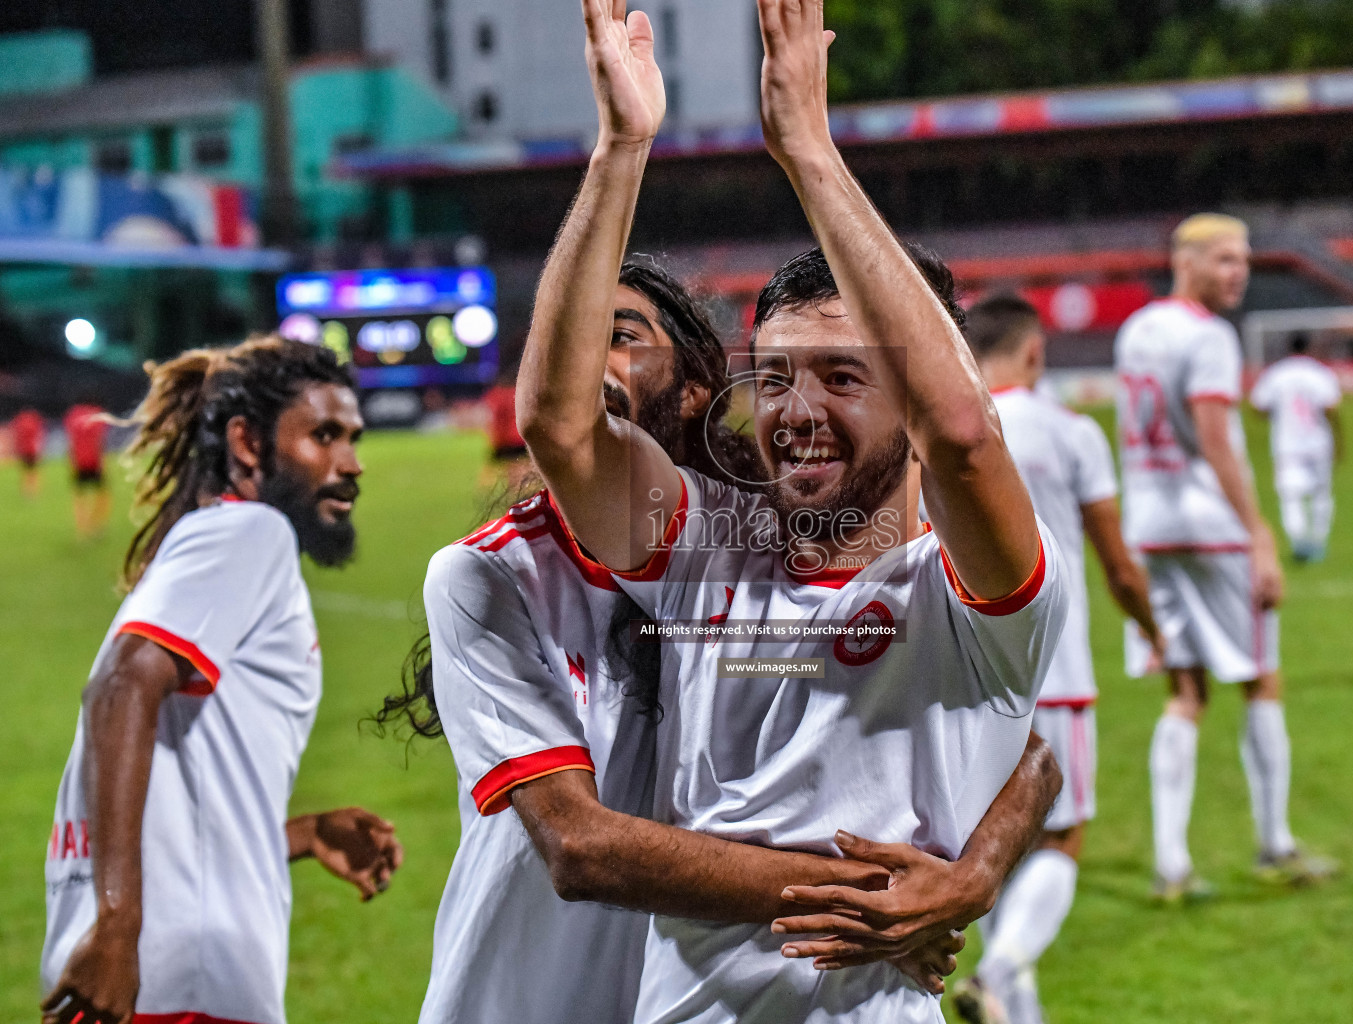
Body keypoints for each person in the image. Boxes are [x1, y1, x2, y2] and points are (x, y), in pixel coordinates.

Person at [515, 2, 1069, 1020]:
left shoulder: (974, 600)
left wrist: (811, 153)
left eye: (843, 378)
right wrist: (621, 150)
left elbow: (965, 433)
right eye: (771, 379)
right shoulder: (703, 550)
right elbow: (559, 427)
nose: (797, 411)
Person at [380, 260, 1065, 1023]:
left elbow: (1019, 745)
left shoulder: (748, 551)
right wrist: (877, 900)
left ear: (698, 389)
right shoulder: (502, 574)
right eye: (774, 376)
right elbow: (582, 848)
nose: (587, 360)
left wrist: (974, 874)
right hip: (525, 998)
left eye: (620, 337)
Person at [41, 337, 404, 1024]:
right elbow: (120, 688)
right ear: (247, 443)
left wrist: (298, 835)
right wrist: (120, 925)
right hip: (179, 988)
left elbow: (182, 778)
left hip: (148, 981)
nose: (351, 464)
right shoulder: (251, 533)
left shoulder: (208, 546)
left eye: (353, 437)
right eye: (323, 436)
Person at [954, 295, 1165, 1024]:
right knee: (1059, 839)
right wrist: (1151, 629)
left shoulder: (944, 432)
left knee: (988, 842)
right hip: (1056, 667)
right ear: (1036, 352)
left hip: (968, 671)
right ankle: (1000, 971)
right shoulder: (1072, 433)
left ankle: (1015, 1004)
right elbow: (1117, 562)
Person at [1114, 214, 1336, 902]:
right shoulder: (1207, 336)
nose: (1238, 272)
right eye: (1224, 260)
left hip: (1149, 526)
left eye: (1243, 260)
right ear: (1186, 262)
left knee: (1184, 693)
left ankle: (1171, 864)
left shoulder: (1137, 329)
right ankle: (1273, 845)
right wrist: (1259, 533)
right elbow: (1215, 438)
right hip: (1210, 528)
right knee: (1261, 679)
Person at [1249, 333, 1343, 563]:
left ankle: (1299, 540)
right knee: (1321, 494)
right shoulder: (1319, 373)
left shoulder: (1276, 374)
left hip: (1287, 443)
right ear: (1309, 348)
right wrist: (1339, 440)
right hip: (1319, 442)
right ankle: (1319, 541)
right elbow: (1331, 408)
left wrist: (1277, 413)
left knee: (1290, 495)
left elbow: (1258, 406)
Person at [64, 400, 112, 539]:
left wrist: (71, 462)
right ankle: (97, 524)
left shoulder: (73, 415)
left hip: (79, 461)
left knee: (80, 497)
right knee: (103, 495)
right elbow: (100, 441)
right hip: (94, 461)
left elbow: (71, 441)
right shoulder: (97, 415)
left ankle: (82, 528)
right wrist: (104, 462)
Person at [480, 368, 531, 492]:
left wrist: (495, 438)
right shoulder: (519, 393)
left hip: (508, 438)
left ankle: (517, 490)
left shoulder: (496, 395)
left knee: (512, 466)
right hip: (522, 435)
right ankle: (522, 489)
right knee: (522, 464)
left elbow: (496, 419)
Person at [11, 407, 45, 499]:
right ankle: (33, 491)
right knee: (33, 472)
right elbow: (39, 435)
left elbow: (17, 436)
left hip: (23, 450)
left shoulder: (20, 421)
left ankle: (26, 491)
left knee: (25, 472)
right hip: (32, 450)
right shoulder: (34, 420)